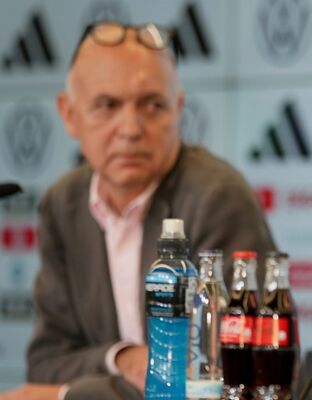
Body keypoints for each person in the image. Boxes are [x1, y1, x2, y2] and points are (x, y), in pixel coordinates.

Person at [0, 22, 276, 400]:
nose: (130, 128)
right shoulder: (62, 203)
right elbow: (47, 363)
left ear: (178, 109)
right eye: (107, 105)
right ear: (68, 114)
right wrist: (124, 358)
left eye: (152, 105)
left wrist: (93, 389)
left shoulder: (217, 196)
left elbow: (237, 368)